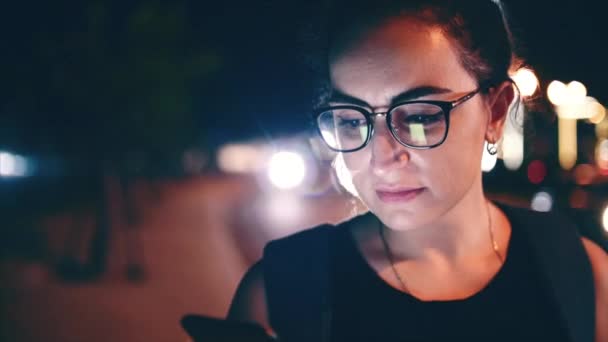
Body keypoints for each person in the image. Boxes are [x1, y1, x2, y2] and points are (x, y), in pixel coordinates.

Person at [227, 0, 608, 341]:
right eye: (351, 120)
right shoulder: (281, 296)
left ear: (494, 111)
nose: (380, 154)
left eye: (421, 117)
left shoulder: (581, 275)